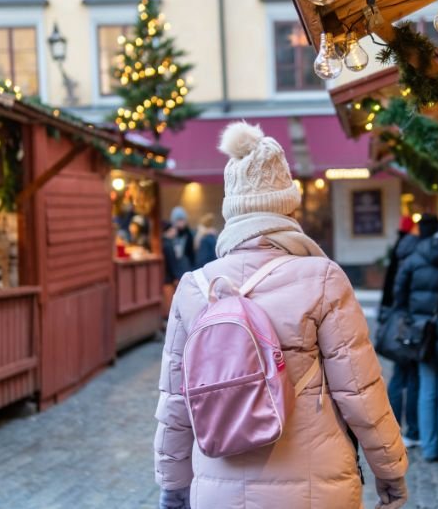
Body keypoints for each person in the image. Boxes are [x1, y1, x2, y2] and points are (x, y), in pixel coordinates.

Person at [155, 122, 409, 509]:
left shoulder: (194, 287)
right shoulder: (322, 278)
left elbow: (176, 403)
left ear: (231, 212)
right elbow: (359, 392)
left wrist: (173, 488)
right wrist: (389, 471)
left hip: (217, 486)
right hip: (316, 486)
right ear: (288, 208)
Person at [393, 209, 438, 462]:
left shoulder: (416, 255)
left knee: (426, 389)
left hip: (421, 333)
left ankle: (430, 449)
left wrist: (409, 317)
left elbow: (399, 292)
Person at [380, 214, 438, 449]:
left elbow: (391, 288)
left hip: (397, 321)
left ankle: (393, 427)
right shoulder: (418, 254)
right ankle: (413, 430)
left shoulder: (399, 249)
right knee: (413, 377)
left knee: (398, 376)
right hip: (413, 325)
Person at [169, 206, 196, 280]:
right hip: (174, 268)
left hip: (186, 267)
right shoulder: (171, 234)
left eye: (182, 220)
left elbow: (191, 253)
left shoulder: (189, 234)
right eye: (178, 220)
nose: (180, 223)